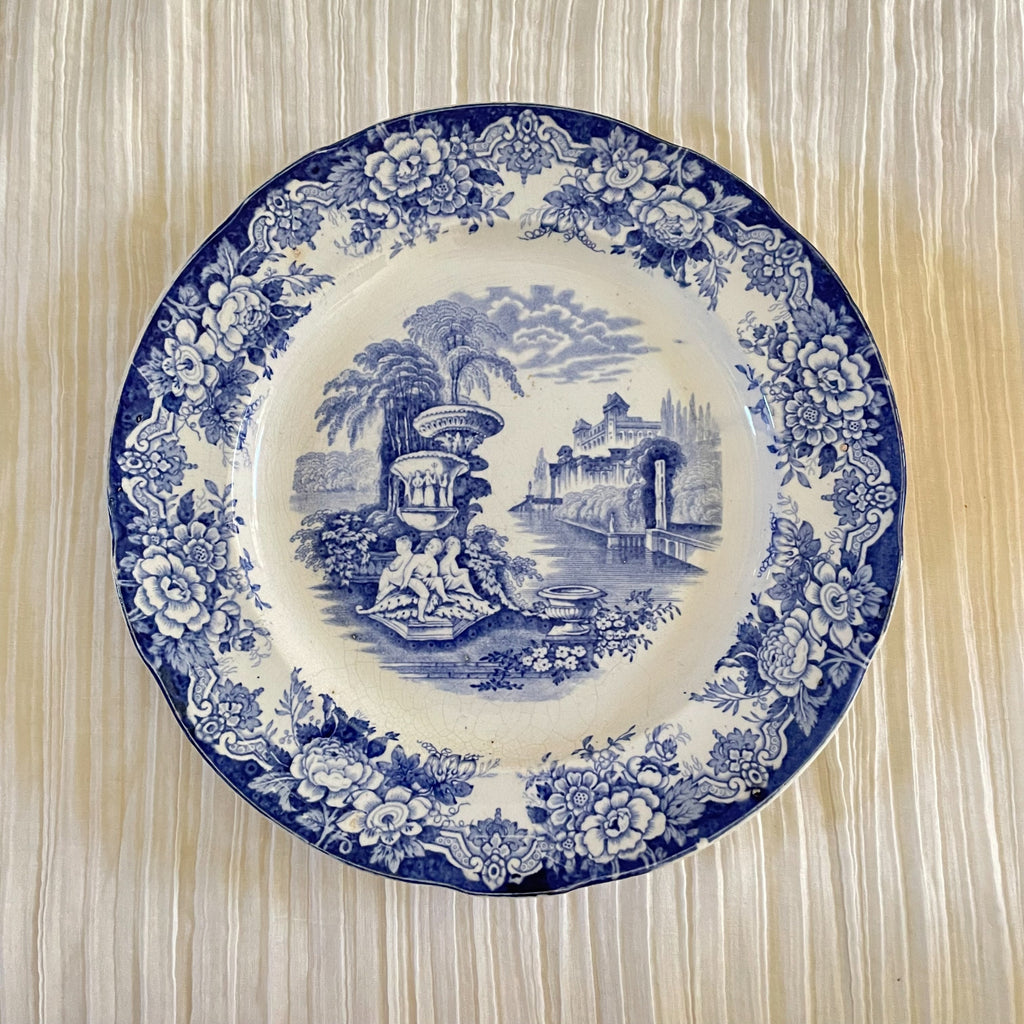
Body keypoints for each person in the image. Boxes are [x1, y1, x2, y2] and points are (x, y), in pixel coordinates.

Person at [401, 537, 449, 621]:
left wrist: (431, 579)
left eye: (432, 547)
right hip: (413, 579)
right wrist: (405, 582)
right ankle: (420, 615)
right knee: (425, 594)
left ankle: (444, 597)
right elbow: (408, 569)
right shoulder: (417, 557)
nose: (428, 547)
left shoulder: (434, 563)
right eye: (429, 544)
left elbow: (433, 576)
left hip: (423, 580)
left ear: (436, 552)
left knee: (438, 580)